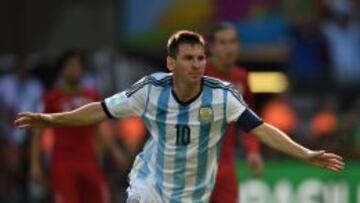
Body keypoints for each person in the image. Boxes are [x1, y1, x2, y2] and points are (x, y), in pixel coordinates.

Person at [15, 30, 345, 203]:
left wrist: (306, 153)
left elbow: (261, 130)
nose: (197, 64)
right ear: (171, 63)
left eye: (201, 57)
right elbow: (99, 111)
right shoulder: (149, 90)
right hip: (151, 182)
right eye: (189, 58)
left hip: (193, 192)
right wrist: (53, 120)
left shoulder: (222, 96)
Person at [29, 51, 123, 203]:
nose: (74, 70)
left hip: (89, 160)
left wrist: (114, 150)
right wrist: (35, 165)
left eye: (78, 66)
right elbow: (37, 132)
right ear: (61, 70)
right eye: (70, 66)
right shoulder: (50, 98)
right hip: (62, 162)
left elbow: (100, 127)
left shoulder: (91, 96)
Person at [205, 22, 263, 203]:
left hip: (226, 166)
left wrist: (253, 150)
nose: (229, 48)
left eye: (233, 42)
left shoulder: (241, 77)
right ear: (212, 47)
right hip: (194, 165)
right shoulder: (197, 74)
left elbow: (249, 120)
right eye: (222, 42)